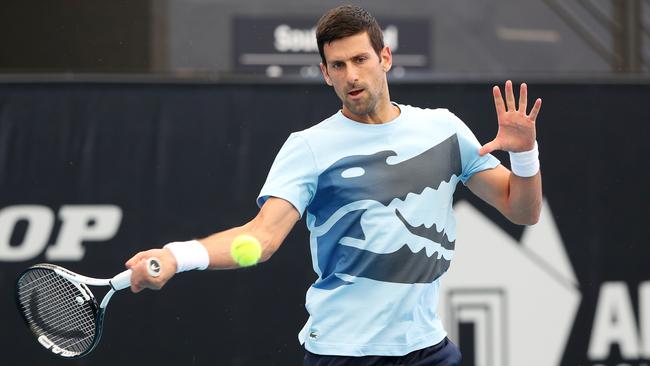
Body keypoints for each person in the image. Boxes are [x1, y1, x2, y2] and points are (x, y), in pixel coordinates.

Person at [125, 5, 542, 366]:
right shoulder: (309, 148)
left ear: (385, 57)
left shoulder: (444, 129)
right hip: (343, 352)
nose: (352, 76)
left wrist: (525, 155)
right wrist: (178, 256)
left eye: (361, 59)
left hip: (426, 348)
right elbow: (261, 238)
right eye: (338, 66)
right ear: (325, 73)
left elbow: (523, 211)